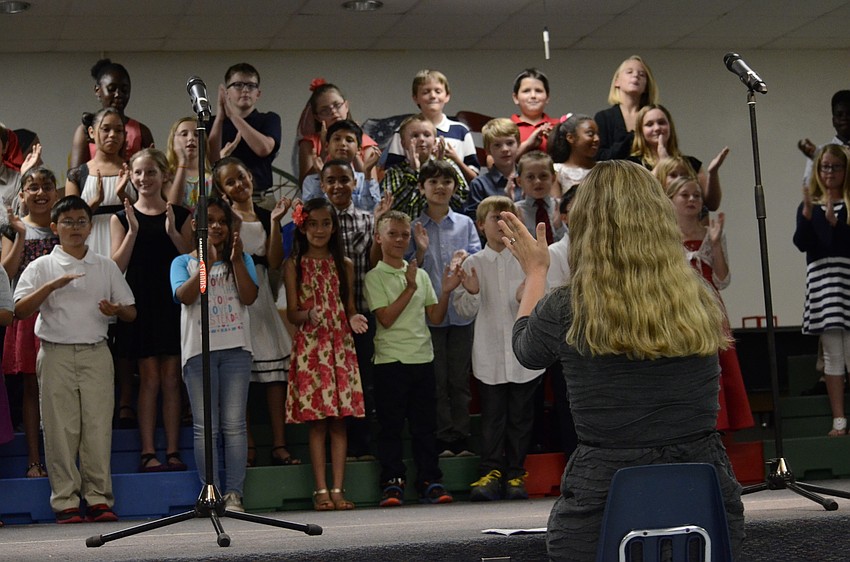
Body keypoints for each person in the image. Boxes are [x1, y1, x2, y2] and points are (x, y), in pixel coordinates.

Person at [503, 160, 744, 560]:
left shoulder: (569, 307)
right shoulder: (699, 296)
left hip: (602, 502)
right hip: (706, 502)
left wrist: (536, 272)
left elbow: (525, 351)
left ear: (586, 225)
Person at [14, 195, 137, 524]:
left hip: (96, 351)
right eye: (67, 222)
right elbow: (19, 310)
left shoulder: (105, 265)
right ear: (55, 227)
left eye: (81, 221)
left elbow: (130, 312)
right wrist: (51, 287)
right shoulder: (42, 266)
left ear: (90, 226)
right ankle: (65, 500)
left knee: (97, 428)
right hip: (55, 352)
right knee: (59, 429)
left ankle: (98, 498)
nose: (75, 227)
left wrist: (115, 310)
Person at [364, 210, 461, 507]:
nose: (399, 240)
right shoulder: (375, 276)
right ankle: (392, 482)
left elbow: (435, 316)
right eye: (392, 234)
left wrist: (446, 292)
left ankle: (430, 480)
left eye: (404, 235)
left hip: (422, 358)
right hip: (390, 361)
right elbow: (386, 318)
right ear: (379, 238)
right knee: (390, 427)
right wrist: (409, 287)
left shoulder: (419, 274)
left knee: (425, 427)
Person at [171, 197, 258, 513]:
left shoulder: (241, 259)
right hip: (199, 353)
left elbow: (249, 296)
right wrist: (205, 262)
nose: (217, 226)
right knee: (205, 427)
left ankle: (234, 494)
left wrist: (235, 261)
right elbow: (185, 295)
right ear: (196, 225)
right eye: (210, 221)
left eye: (222, 221)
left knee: (234, 425)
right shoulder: (182, 262)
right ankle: (212, 492)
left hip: (236, 350)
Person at [454, 195, 543, 501]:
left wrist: (526, 296)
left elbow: (542, 302)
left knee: (521, 417)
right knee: (492, 417)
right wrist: (472, 293)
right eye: (495, 218)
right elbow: (464, 312)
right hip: (489, 353)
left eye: (508, 217)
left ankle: (516, 473)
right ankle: (491, 472)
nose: (502, 223)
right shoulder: (473, 263)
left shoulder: (527, 261)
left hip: (523, 354)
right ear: (481, 225)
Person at [111, 149, 194, 472]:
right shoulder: (122, 217)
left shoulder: (181, 215)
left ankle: (172, 450)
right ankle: (148, 451)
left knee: (172, 378)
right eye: (138, 173)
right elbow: (116, 267)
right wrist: (133, 231)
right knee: (149, 378)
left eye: (151, 172)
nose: (144, 179)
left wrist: (172, 232)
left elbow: (193, 264)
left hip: (172, 301)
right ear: (131, 176)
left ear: (164, 175)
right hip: (141, 302)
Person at [212, 157, 298, 467]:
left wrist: (275, 222)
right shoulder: (223, 220)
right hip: (232, 293)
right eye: (230, 182)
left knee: (274, 377)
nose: (239, 184)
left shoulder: (265, 214)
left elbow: (273, 261)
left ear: (250, 176)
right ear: (222, 190)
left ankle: (279, 444)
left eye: (241, 177)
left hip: (261, 294)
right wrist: (231, 219)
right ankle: (246, 446)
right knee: (241, 377)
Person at [283, 198, 367, 511]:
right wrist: (308, 314)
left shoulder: (344, 264)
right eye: (313, 224)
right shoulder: (294, 265)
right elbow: (292, 312)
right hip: (311, 348)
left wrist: (354, 318)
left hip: (339, 348)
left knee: (339, 422)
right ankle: (320, 489)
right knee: (317, 423)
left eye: (326, 224)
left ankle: (338, 488)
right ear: (302, 227)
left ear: (334, 228)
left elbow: (350, 306)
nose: (319, 230)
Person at [666, 176, 754, 433]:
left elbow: (722, 279)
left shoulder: (711, 234)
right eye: (685, 195)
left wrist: (715, 244)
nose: (692, 200)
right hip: (680, 305)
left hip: (710, 305)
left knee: (718, 361)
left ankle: (721, 424)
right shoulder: (665, 236)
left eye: (696, 195)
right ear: (670, 200)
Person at [408, 160, 480, 456]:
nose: (440, 187)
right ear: (421, 187)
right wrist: (420, 250)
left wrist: (466, 260)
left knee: (459, 380)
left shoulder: (465, 224)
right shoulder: (413, 226)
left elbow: (476, 261)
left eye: (447, 182)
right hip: (428, 315)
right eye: (433, 182)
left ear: (454, 187)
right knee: (436, 381)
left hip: (461, 314)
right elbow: (407, 270)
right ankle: (442, 437)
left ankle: (461, 437)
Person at [319, 160, 389, 460]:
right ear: (322, 185)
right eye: (331, 180)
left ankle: (363, 446)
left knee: (363, 381)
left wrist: (378, 225)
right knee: (330, 383)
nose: (338, 186)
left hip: (360, 315)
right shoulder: (316, 222)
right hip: (325, 321)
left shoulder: (366, 220)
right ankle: (336, 449)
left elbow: (374, 264)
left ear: (355, 182)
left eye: (344, 179)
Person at [2, 167, 60, 479]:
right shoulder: (12, 229)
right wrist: (21, 234)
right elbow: (7, 272)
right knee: (30, 387)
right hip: (26, 317)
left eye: (47, 186)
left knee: (59, 390)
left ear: (56, 192)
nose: (40, 193)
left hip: (61, 316)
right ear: (22, 194)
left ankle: (61, 460)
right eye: (33, 187)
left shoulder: (62, 226)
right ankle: (35, 460)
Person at [793, 144, 850, 437]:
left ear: (845, 170)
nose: (829, 172)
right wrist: (807, 215)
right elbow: (803, 243)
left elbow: (842, 243)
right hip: (823, 286)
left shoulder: (849, 204)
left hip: (847, 282)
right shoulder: (811, 205)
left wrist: (835, 224)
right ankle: (839, 420)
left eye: (835, 167)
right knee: (832, 355)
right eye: (825, 166)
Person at [381, 70, 479, 182]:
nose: (432, 96)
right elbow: (391, 173)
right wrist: (414, 166)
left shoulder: (461, 131)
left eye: (438, 91)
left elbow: (473, 176)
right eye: (426, 92)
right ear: (415, 98)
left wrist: (455, 159)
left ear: (447, 96)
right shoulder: (403, 130)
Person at [629, 104, 728, 212]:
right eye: (649, 124)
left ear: (670, 126)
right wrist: (663, 164)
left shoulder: (691, 163)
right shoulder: (633, 164)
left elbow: (712, 205)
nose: (657, 128)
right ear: (640, 130)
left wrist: (713, 172)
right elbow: (637, 199)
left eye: (661, 122)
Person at [65, 107, 135, 258]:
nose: (112, 135)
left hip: (128, 243)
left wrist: (123, 195)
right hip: (91, 243)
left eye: (118, 130)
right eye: (106, 129)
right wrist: (95, 201)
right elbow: (70, 220)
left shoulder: (134, 171)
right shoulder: (78, 175)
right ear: (91, 132)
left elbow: (145, 211)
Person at [208, 63, 281, 200]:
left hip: (260, 198)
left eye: (251, 86)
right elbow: (209, 160)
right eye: (238, 85)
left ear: (258, 94)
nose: (245, 90)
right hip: (223, 198)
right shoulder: (213, 123)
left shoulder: (269, 119)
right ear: (227, 93)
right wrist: (220, 118)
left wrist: (233, 116)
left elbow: (264, 149)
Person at [69, 58, 154, 169]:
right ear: (97, 90)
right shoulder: (84, 130)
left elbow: (153, 170)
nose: (118, 94)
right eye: (111, 89)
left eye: (124, 90)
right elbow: (75, 174)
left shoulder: (142, 131)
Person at [380, 114, 469, 219]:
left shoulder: (449, 165)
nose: (422, 139)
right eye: (415, 135)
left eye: (427, 135)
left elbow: (461, 201)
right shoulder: (395, 172)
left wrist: (440, 169)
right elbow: (392, 206)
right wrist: (413, 171)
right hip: (408, 227)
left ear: (435, 141)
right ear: (403, 143)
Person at [295, 80, 381, 185]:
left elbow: (372, 187)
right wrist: (323, 153)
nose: (333, 112)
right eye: (325, 110)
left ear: (346, 106)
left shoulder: (365, 142)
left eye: (337, 105)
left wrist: (355, 153)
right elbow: (304, 186)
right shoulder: (309, 143)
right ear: (317, 117)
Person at [301, 119, 381, 211]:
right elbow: (312, 212)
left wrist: (367, 173)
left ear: (359, 149)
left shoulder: (366, 180)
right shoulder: (311, 181)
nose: (343, 144)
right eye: (337, 139)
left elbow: (372, 212)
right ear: (326, 146)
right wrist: (321, 175)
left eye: (349, 140)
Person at [594, 55, 659, 161]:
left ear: (646, 86)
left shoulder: (653, 117)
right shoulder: (604, 117)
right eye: (629, 72)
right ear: (617, 81)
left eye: (642, 74)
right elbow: (599, 157)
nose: (636, 76)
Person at [464, 118, 521, 224]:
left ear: (518, 144)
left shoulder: (530, 179)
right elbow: (475, 222)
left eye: (510, 143)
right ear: (488, 150)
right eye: (497, 145)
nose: (505, 149)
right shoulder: (479, 185)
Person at [798, 90, 850, 185]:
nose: (845, 118)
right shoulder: (819, 152)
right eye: (840, 115)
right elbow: (809, 186)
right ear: (833, 120)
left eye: (849, 114)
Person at [514, 151, 565, 243]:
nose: (537, 181)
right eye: (530, 177)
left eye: (543, 176)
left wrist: (559, 227)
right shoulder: (515, 210)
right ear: (519, 181)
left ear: (553, 178)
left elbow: (573, 242)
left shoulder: (563, 207)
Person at [165, 116, 213, 213]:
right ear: (173, 140)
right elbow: (174, 206)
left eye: (196, 135)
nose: (191, 138)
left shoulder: (212, 176)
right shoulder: (167, 175)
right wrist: (183, 161)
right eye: (184, 134)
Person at [510, 68, 560, 157]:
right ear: (516, 98)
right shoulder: (505, 128)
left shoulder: (559, 126)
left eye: (538, 91)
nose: (533, 96)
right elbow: (491, 162)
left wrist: (556, 142)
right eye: (526, 91)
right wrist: (527, 145)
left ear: (547, 97)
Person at [548, 114, 599, 196]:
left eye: (597, 134)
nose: (597, 139)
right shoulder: (557, 171)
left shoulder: (603, 169)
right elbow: (556, 202)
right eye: (590, 134)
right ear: (570, 138)